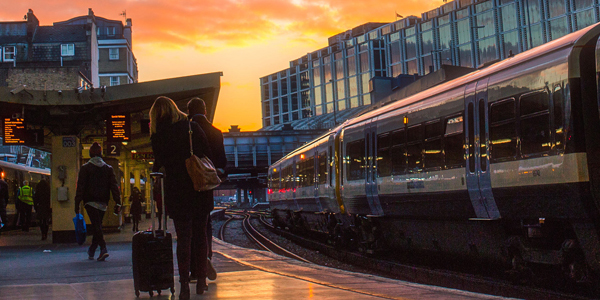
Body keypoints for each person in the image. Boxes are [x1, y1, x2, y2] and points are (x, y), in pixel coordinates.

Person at [150, 96, 212, 299]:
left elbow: (158, 162)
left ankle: (184, 285)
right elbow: (205, 150)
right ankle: (201, 281)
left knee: (183, 238)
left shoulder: (159, 135)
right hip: (198, 186)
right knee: (200, 235)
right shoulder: (191, 126)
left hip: (176, 191)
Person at [187, 97, 227, 283]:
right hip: (206, 185)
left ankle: (194, 267)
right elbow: (222, 164)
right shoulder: (216, 132)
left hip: (187, 185)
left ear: (188, 111)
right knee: (205, 224)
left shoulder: (186, 130)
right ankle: (206, 258)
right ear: (205, 109)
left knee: (189, 226)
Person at [75, 142, 122, 261]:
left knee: (97, 226)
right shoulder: (108, 169)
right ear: (101, 154)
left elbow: (80, 187)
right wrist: (118, 202)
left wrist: (77, 203)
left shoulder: (85, 169)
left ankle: (103, 248)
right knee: (97, 226)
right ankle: (92, 250)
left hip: (89, 201)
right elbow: (114, 186)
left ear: (90, 154)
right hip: (103, 203)